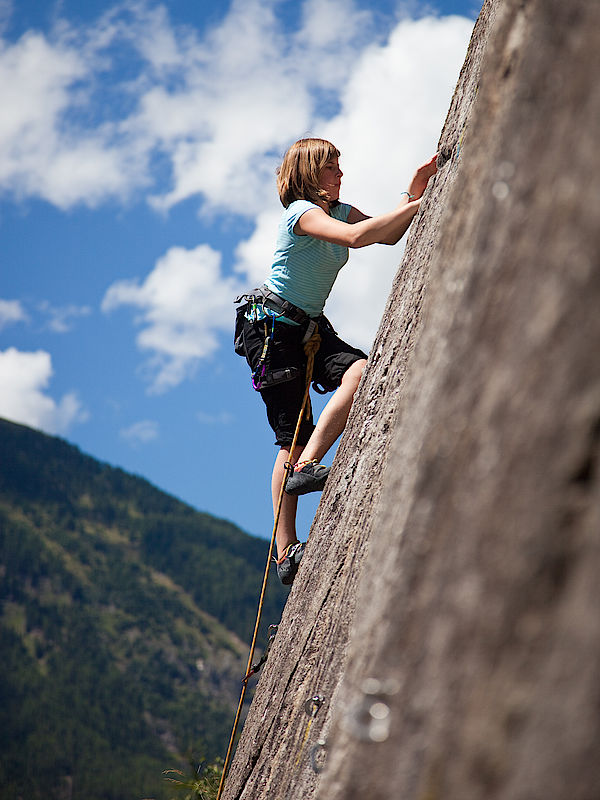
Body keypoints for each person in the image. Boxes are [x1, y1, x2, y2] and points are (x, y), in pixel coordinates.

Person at [234, 138, 437, 585]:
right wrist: (424, 201)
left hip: (308, 325)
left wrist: (414, 190)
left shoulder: (339, 210)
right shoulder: (301, 214)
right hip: (271, 328)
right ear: (310, 175)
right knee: (291, 436)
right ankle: (285, 549)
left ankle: (306, 468)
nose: (340, 175)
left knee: (361, 372)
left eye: (339, 167)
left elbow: (387, 233)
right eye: (331, 168)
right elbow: (358, 238)